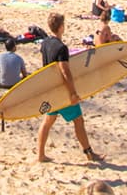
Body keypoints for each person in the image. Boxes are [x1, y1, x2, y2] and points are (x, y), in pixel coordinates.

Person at [37, 13, 100, 164]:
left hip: (51, 89)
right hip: (62, 92)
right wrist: (72, 93)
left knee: (47, 122)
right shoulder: (61, 47)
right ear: (61, 27)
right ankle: (89, 153)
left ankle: (40, 155)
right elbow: (64, 71)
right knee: (78, 121)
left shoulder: (45, 43)